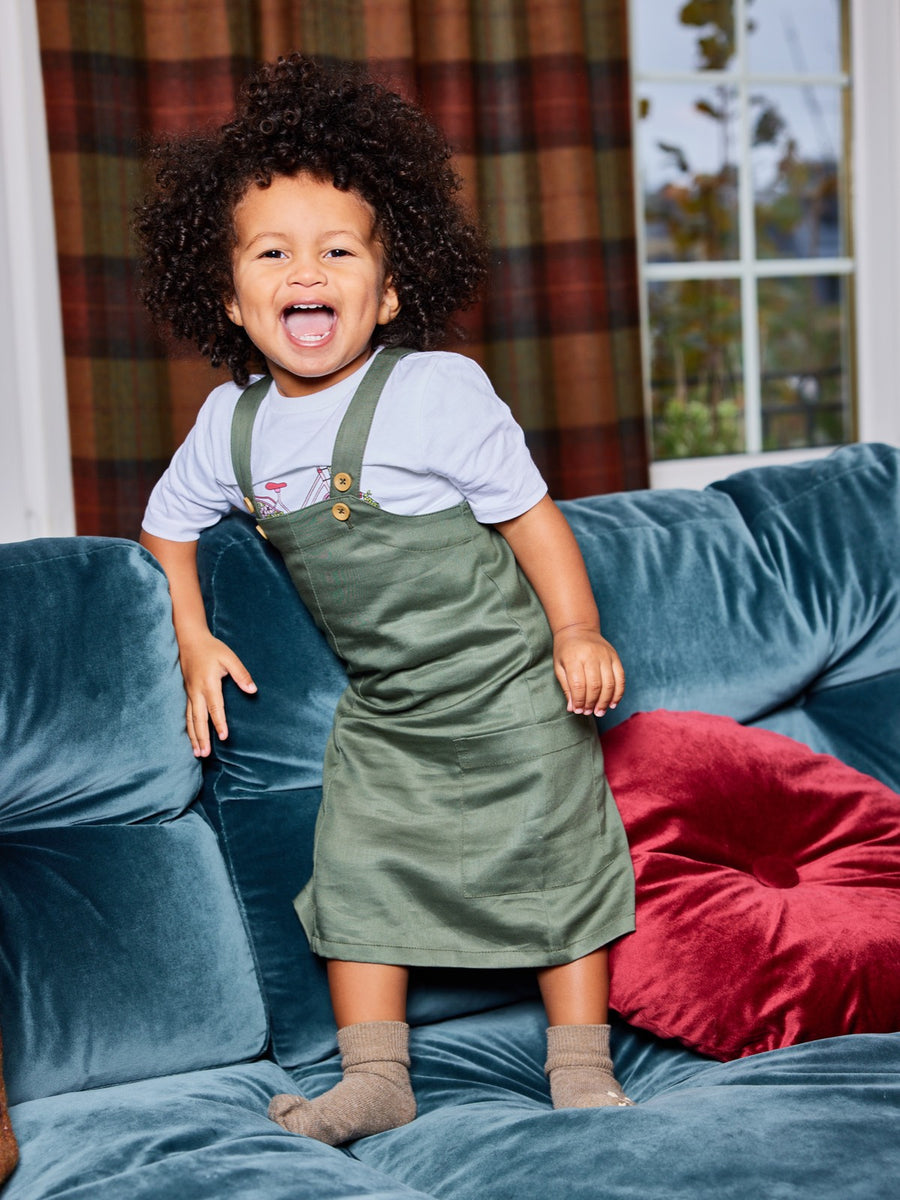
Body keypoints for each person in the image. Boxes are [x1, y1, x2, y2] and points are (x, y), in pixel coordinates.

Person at [136, 53, 636, 1146]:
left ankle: (580, 1061)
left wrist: (577, 629)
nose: (303, 270)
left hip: (512, 692)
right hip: (391, 712)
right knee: (355, 869)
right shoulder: (231, 427)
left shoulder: (435, 392)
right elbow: (166, 528)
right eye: (272, 251)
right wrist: (192, 639)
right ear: (228, 294)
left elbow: (534, 521)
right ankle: (376, 1077)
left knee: (559, 857)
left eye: (336, 249)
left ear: (389, 287)